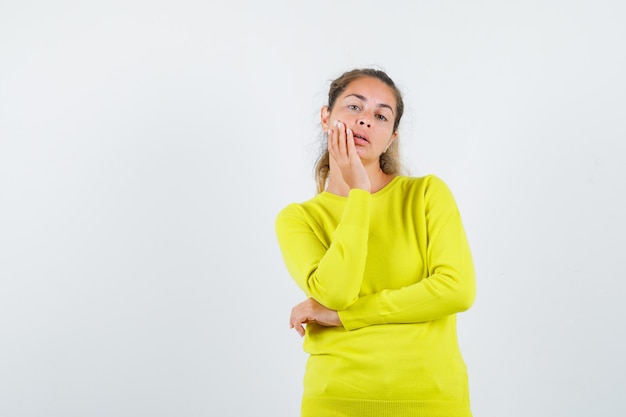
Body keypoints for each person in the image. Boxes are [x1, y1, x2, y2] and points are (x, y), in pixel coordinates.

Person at [275, 68, 476, 417]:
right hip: (336, 402)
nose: (366, 121)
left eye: (380, 115)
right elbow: (336, 292)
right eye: (354, 107)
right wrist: (359, 196)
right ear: (326, 117)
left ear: (391, 136)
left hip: (433, 401)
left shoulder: (427, 194)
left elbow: (457, 289)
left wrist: (344, 317)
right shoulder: (298, 219)